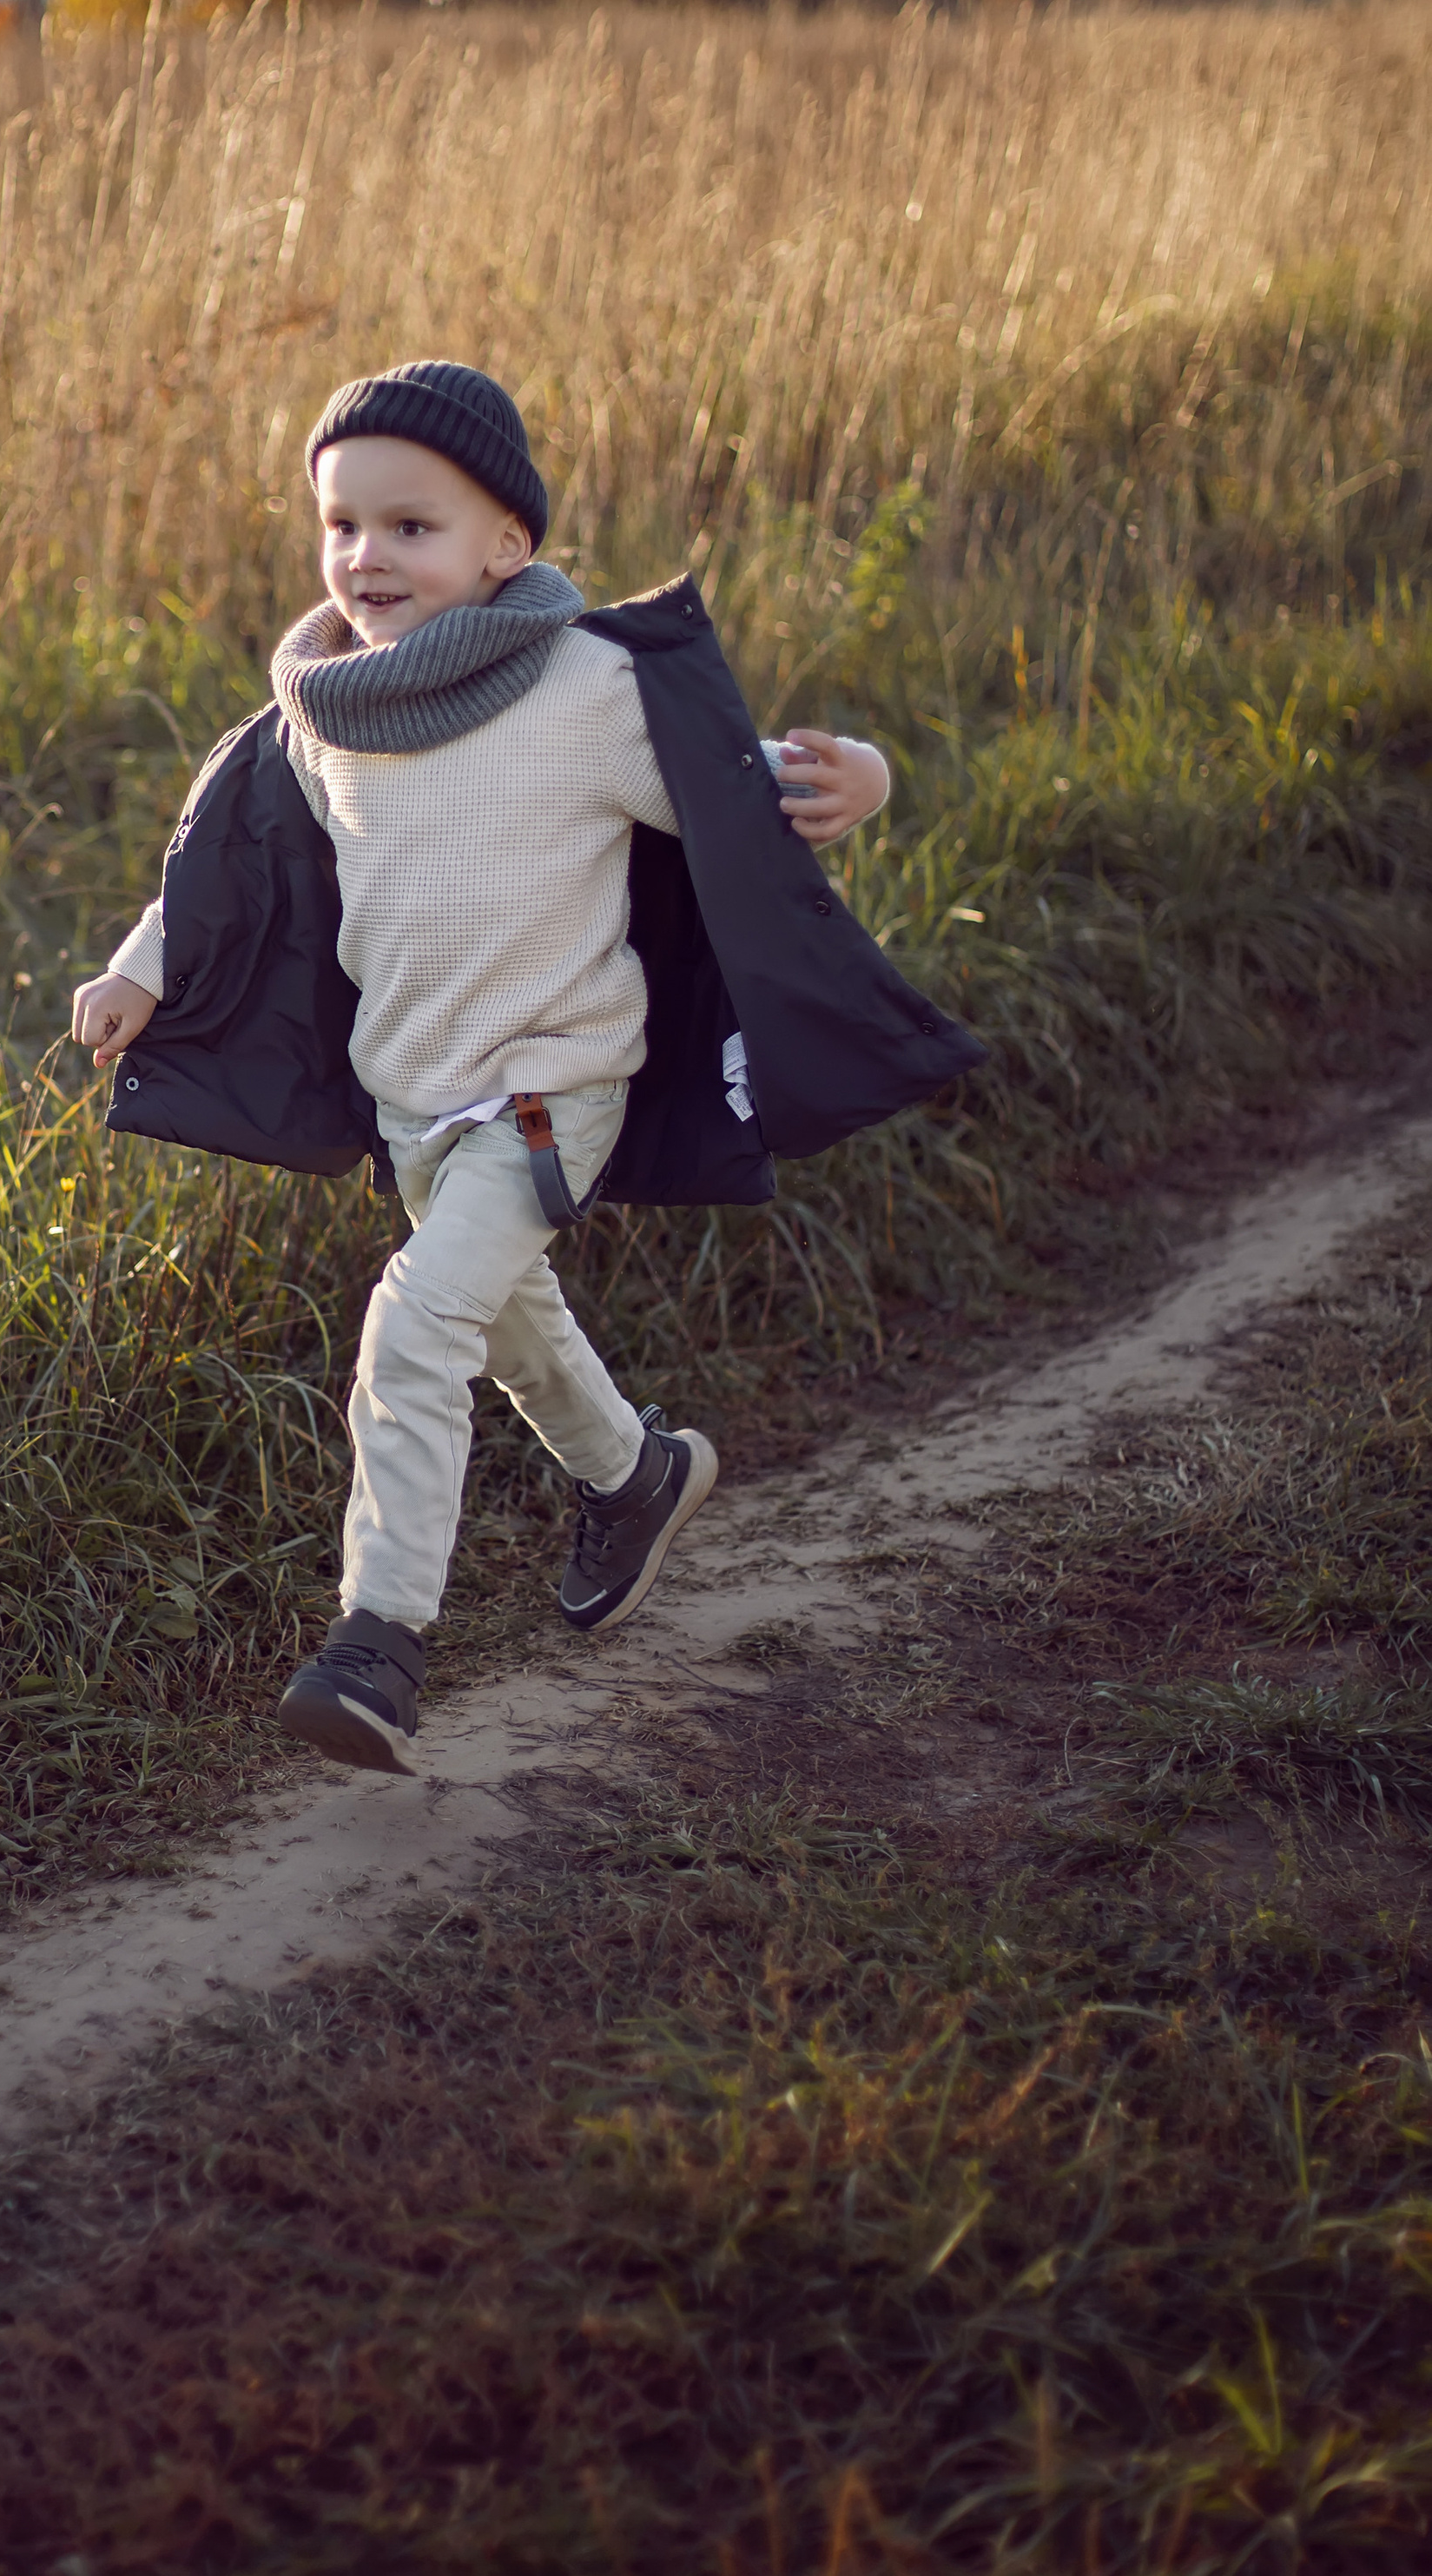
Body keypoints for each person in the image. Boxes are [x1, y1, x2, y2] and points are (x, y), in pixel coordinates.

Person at [72, 361, 983, 1776]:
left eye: (412, 528)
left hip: (555, 1087)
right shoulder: (331, 713)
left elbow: (745, 798)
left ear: (508, 548)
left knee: (419, 1323)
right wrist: (144, 968)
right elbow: (239, 866)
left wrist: (854, 775)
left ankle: (376, 1641)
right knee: (506, 1321)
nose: (367, 557)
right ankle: (635, 1477)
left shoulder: (579, 686)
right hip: (413, 1094)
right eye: (343, 525)